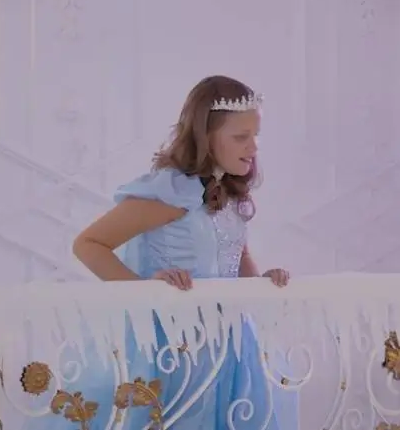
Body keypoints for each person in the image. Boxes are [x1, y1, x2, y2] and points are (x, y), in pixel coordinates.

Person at [26, 76, 296, 430]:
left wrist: (261, 282)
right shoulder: (173, 193)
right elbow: (88, 245)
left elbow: (238, 256)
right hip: (174, 344)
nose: (254, 146)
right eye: (241, 137)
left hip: (228, 341)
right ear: (207, 137)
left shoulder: (229, 194)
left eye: (256, 135)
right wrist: (144, 290)